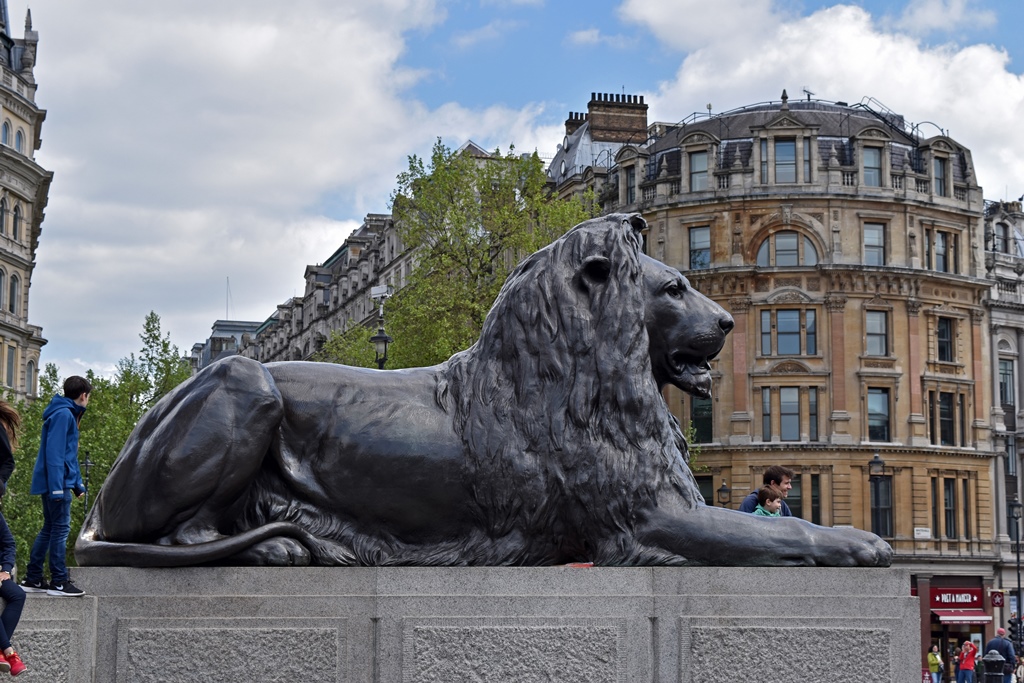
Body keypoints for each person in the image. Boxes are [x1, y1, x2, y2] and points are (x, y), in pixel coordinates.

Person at [20, 375, 91, 598]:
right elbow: (55, 454)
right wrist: (58, 488)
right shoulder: (63, 415)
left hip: (58, 483)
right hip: (56, 484)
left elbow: (69, 456)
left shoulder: (65, 413)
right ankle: (58, 581)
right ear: (84, 395)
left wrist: (77, 485)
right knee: (60, 529)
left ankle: (33, 578)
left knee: (50, 527)